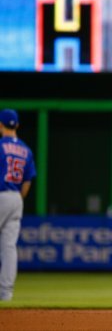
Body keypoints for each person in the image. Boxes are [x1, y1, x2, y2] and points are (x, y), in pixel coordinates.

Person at [0, 109, 36, 301]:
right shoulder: (26, 150)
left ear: (0, 125)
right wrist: (17, 200)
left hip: (1, 194)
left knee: (7, 247)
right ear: (18, 126)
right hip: (16, 198)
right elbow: (27, 182)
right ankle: (6, 294)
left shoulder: (0, 146)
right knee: (9, 247)